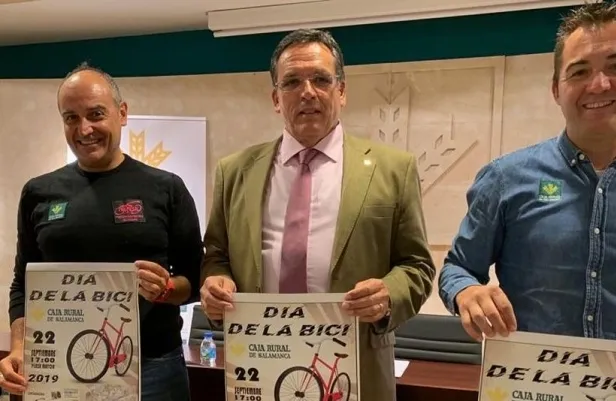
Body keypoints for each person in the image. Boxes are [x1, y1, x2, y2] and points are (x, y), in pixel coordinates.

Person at [439, 0, 616, 397]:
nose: (598, 84)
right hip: (526, 390)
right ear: (557, 89)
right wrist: (466, 292)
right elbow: (458, 269)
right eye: (580, 71)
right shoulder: (505, 178)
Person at [199, 28, 435, 401]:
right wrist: (216, 283)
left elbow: (417, 266)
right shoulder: (235, 171)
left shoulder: (394, 169)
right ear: (276, 98)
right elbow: (216, 255)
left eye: (321, 80)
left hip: (355, 371)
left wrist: (388, 294)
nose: (307, 92)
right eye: (292, 82)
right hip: (259, 366)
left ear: (341, 91)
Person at [0, 63, 204, 400]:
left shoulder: (167, 188)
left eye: (96, 114)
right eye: (71, 118)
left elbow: (194, 280)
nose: (84, 129)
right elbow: (23, 284)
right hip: (62, 366)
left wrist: (165, 289)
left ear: (122, 113)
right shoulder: (38, 192)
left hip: (153, 369)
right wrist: (20, 348)